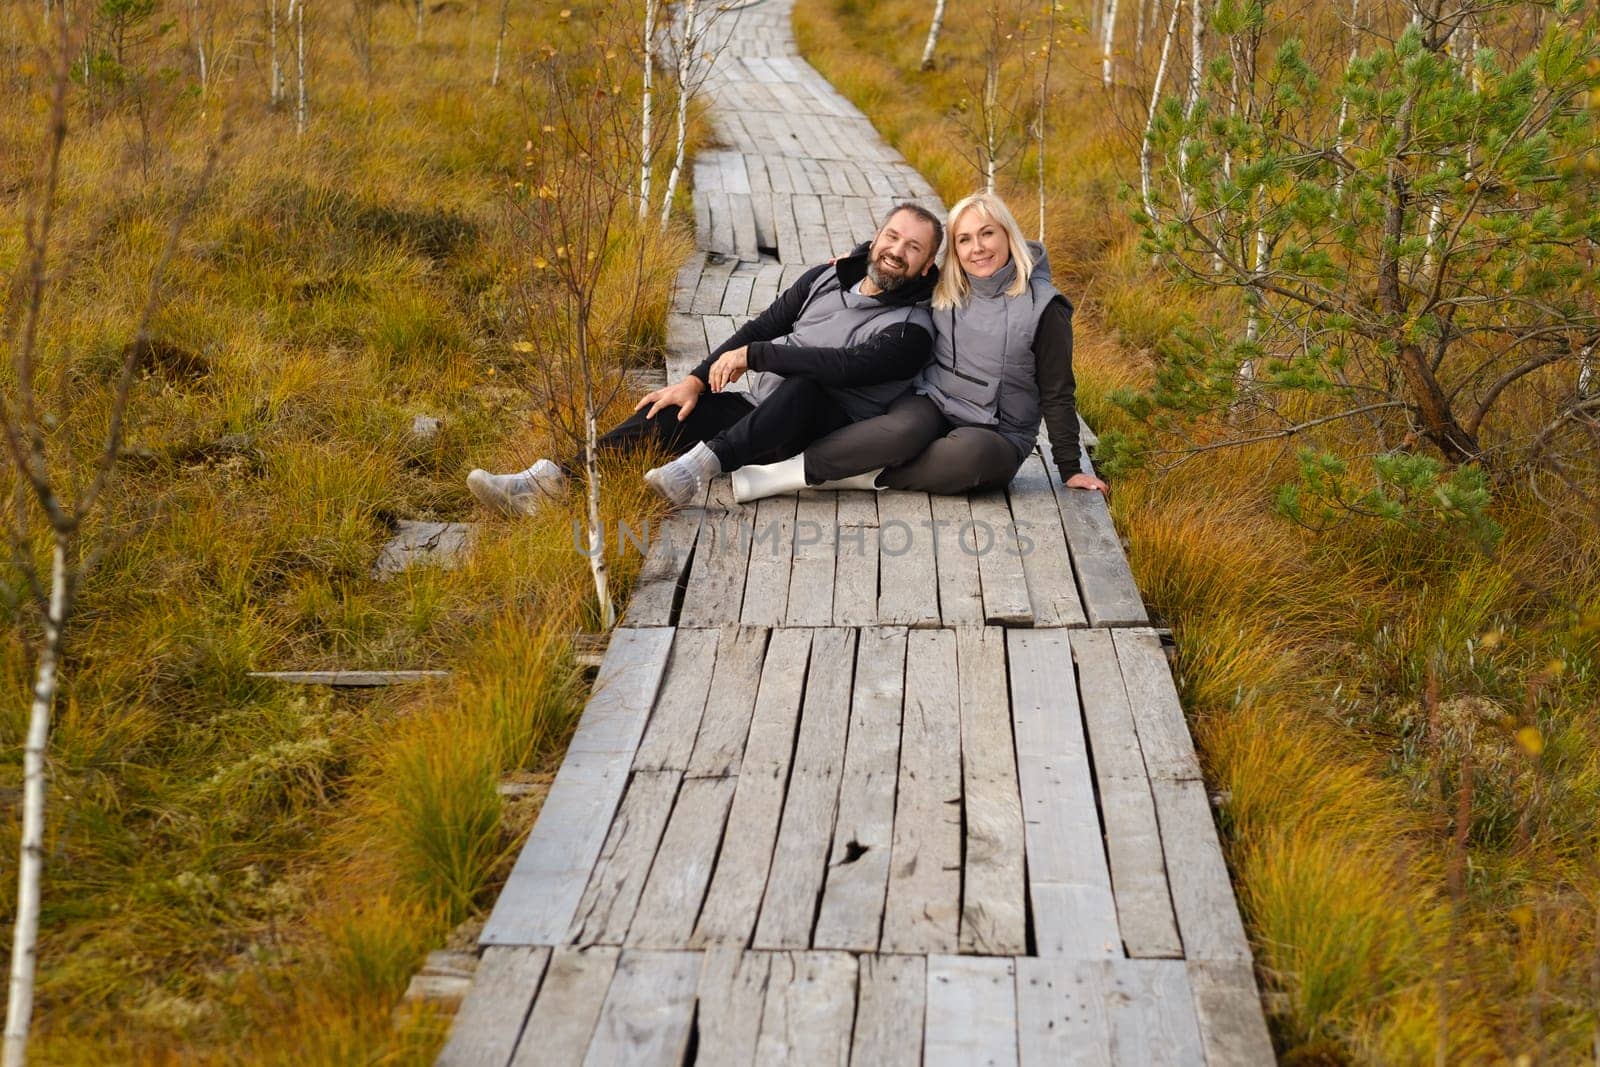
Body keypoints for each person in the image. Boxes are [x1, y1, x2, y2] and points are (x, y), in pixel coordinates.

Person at [465, 202, 943, 516]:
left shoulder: (912, 330)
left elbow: (841, 368)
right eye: (892, 236)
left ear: (927, 266)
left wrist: (757, 357)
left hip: (815, 432)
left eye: (912, 247)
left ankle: (696, 470)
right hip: (760, 413)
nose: (896, 251)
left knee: (806, 383)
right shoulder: (824, 278)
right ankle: (551, 481)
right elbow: (762, 324)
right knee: (672, 409)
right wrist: (693, 381)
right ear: (877, 236)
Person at [729, 190, 1110, 501]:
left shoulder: (1044, 307)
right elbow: (899, 260)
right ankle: (788, 472)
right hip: (932, 402)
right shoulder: (946, 285)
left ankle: (854, 475)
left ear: (1008, 235)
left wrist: (1070, 467)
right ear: (954, 251)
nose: (977, 248)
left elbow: (1058, 391)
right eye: (964, 239)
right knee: (900, 431)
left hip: (998, 430)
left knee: (971, 458)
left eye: (987, 233)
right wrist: (857, 258)